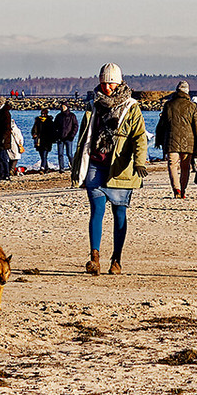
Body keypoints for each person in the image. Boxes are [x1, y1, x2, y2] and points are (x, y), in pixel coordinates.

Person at [71, 63, 147, 276]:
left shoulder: (131, 107)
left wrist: (140, 161)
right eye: (104, 83)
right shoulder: (93, 104)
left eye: (111, 83)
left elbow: (139, 136)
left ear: (119, 82)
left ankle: (117, 259)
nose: (106, 87)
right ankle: (94, 257)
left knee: (119, 213)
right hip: (95, 164)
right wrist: (78, 163)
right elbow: (85, 135)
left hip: (120, 168)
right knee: (96, 211)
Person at [156, 81, 197, 198]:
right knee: (185, 167)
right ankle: (183, 191)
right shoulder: (192, 106)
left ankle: (176, 189)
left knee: (172, 165)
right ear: (187, 92)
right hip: (189, 142)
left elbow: (162, 124)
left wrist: (159, 140)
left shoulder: (168, 105)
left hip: (171, 140)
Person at [0, 101, 14, 181]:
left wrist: (3, 138)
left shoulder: (4, 113)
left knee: (3, 157)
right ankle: (1, 174)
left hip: (2, 140)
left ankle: (6, 174)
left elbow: (6, 127)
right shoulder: (0, 112)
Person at [55, 104, 79, 171]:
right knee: (60, 154)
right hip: (60, 138)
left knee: (69, 154)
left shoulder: (72, 116)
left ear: (67, 107)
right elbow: (55, 126)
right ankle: (61, 168)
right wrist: (56, 135)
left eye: (64, 106)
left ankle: (73, 166)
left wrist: (72, 135)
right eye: (61, 107)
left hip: (69, 138)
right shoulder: (58, 116)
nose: (62, 108)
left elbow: (75, 126)